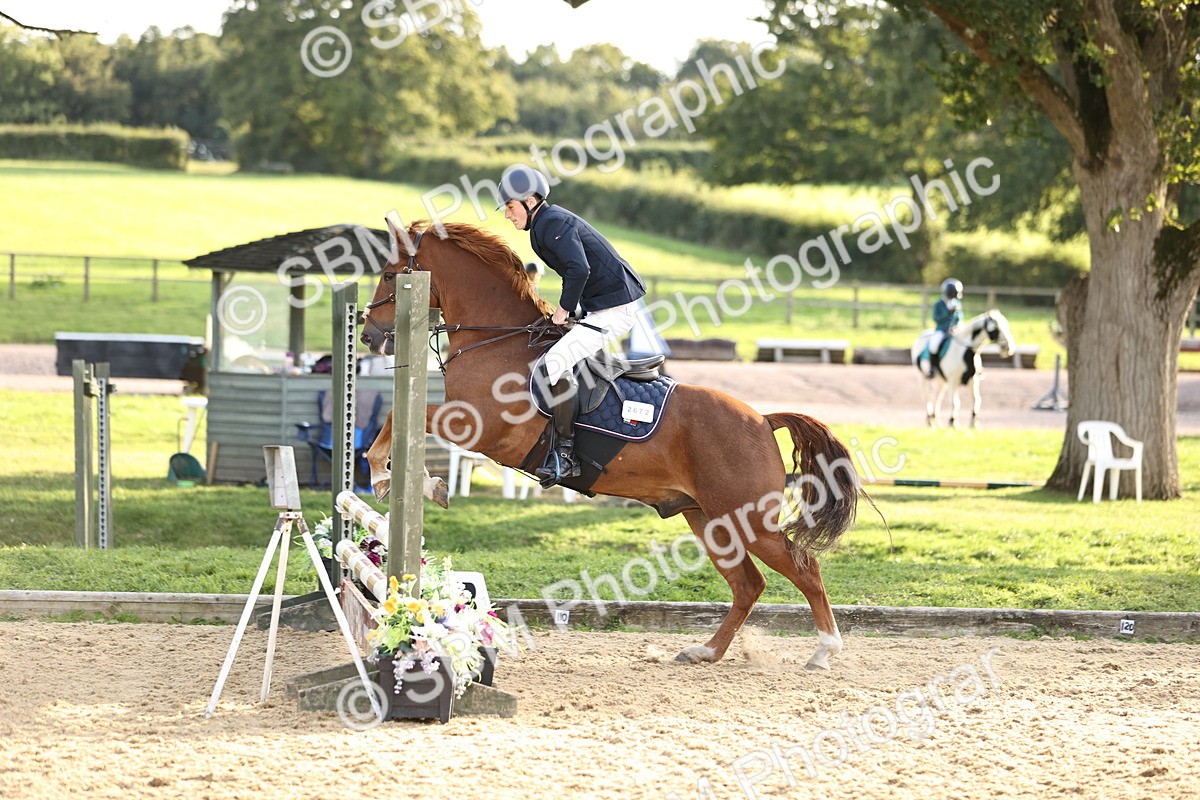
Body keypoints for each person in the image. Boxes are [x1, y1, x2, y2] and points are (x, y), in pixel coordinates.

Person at [498, 164, 647, 485]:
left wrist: (564, 311)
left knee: (555, 362)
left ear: (528, 200)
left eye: (510, 207)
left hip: (615, 309)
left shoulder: (552, 222)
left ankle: (566, 455)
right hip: (602, 307)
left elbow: (578, 270)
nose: (507, 215)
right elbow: (576, 271)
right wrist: (573, 310)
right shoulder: (543, 226)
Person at [928, 278, 963, 378]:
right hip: (941, 330)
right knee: (933, 346)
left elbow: (959, 317)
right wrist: (948, 313)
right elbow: (936, 318)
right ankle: (933, 368)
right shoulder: (938, 304)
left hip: (954, 330)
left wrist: (957, 325)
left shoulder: (957, 303)